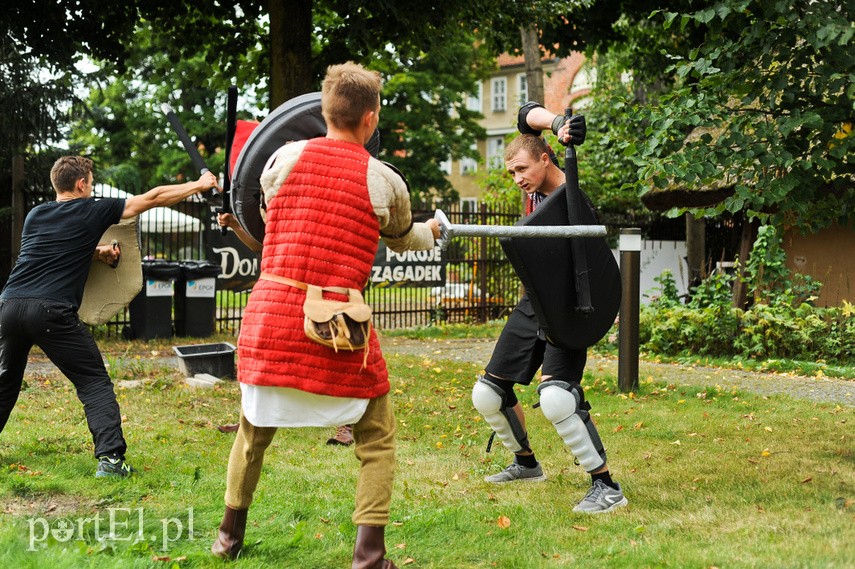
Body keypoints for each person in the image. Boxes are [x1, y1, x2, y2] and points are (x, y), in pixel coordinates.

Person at [211, 62, 440, 568]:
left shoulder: (282, 159)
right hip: (336, 325)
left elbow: (272, 222)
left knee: (252, 431)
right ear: (371, 118)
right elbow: (405, 239)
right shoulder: (385, 180)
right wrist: (433, 231)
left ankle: (227, 538)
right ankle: (369, 556)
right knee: (376, 436)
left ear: (322, 110)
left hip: (271, 317)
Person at [0, 156, 218, 477]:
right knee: (93, 382)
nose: (92, 187)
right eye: (91, 181)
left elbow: (55, 250)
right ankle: (111, 460)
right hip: (50, 310)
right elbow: (153, 198)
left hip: (9, 305)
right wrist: (198, 185)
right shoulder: (93, 209)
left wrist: (99, 253)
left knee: (5, 382)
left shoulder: (37, 214)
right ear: (81, 184)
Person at [471, 102, 628, 514]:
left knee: (557, 397)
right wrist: (559, 122)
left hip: (570, 304)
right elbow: (526, 116)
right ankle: (526, 464)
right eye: (511, 173)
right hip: (535, 300)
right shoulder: (536, 191)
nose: (518, 179)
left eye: (522, 170)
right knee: (487, 393)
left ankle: (606, 486)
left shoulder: (573, 204)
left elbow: (594, 271)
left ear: (546, 159)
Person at [217, 212, 356, 446]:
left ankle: (347, 424)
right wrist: (234, 225)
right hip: (287, 290)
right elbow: (262, 246)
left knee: (338, 351)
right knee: (260, 358)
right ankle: (249, 420)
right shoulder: (281, 210)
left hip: (326, 286)